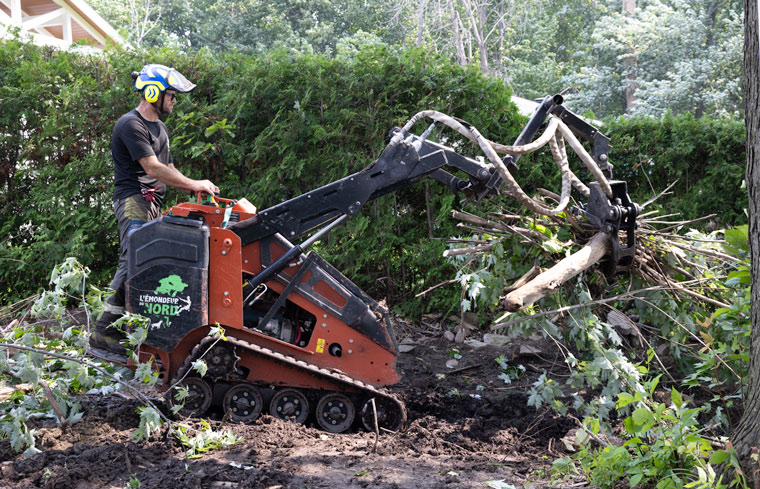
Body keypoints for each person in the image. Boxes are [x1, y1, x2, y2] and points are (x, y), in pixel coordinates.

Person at [89, 64, 219, 354]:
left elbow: (168, 167)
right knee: (132, 261)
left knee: (150, 262)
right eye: (171, 95)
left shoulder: (159, 128)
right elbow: (152, 167)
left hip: (152, 203)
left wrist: (194, 188)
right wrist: (194, 182)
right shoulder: (130, 124)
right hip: (134, 199)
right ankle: (103, 333)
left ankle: (136, 331)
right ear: (152, 92)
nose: (174, 100)